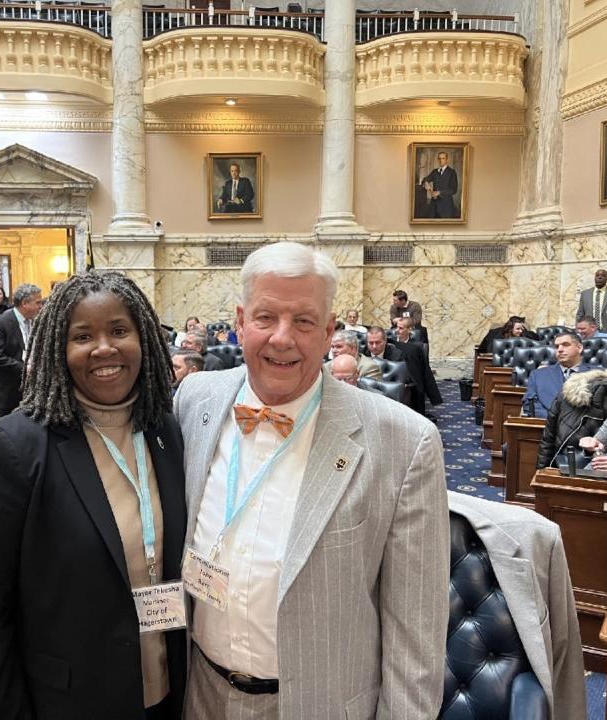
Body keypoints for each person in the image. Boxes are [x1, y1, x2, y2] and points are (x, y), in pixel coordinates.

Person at [175, 242, 449, 719]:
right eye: (265, 318)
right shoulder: (195, 398)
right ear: (239, 322)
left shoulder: (405, 442)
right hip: (199, 693)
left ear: (328, 332)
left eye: (303, 321)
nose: (283, 338)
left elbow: (416, 634)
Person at [0, 270, 187, 719]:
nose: (104, 348)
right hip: (70, 702)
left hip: (169, 692)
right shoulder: (10, 449)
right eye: (83, 336)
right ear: (58, 348)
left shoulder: (165, 432)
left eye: (119, 330)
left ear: (145, 339)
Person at [0, 283, 43, 419]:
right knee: (3, 436)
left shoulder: (35, 322)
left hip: (30, 393)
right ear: (24, 303)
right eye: (38, 303)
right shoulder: (1, 323)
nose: (41, 306)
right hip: (7, 393)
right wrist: (24, 369)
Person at [522, 332, 592, 419]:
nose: (560, 349)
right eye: (557, 346)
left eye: (565, 345)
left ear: (579, 348)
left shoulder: (599, 374)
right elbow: (530, 406)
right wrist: (555, 421)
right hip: (547, 427)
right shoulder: (538, 375)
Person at [419, 150, 459, 218]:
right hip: (434, 206)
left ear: (447, 160)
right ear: (438, 160)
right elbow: (425, 179)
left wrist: (439, 192)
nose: (441, 160)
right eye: (439, 158)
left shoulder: (452, 172)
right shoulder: (434, 171)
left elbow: (453, 190)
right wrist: (426, 183)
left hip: (446, 207)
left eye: (443, 158)